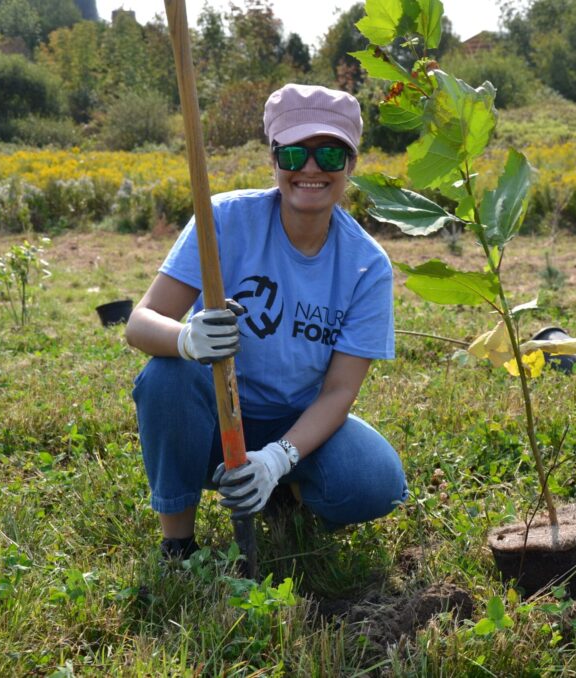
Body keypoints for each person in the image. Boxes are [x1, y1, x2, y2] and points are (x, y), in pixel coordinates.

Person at [125, 83, 409, 560]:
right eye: (294, 155)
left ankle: (284, 488)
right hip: (217, 414)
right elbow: (140, 323)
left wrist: (279, 457)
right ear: (274, 159)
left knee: (376, 483)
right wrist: (187, 340)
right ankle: (178, 542)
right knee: (166, 375)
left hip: (298, 421)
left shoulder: (367, 264)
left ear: (352, 164)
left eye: (331, 156)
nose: (311, 169)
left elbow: (340, 391)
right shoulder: (222, 219)